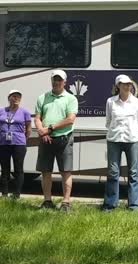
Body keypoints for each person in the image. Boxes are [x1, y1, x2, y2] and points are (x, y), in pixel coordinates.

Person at [35, 69, 78, 211]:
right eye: (54, 79)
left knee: (66, 171)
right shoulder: (43, 97)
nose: (56, 82)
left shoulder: (71, 99)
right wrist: (42, 132)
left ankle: (66, 203)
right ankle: (47, 201)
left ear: (65, 82)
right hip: (46, 139)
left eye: (59, 80)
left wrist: (50, 128)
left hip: (64, 138)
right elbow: (37, 118)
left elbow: (70, 120)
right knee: (46, 171)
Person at [102, 74, 138, 212]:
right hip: (114, 140)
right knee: (113, 173)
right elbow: (108, 122)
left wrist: (133, 133)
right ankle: (110, 205)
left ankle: (134, 205)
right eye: (124, 84)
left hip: (132, 140)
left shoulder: (137, 103)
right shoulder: (110, 102)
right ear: (118, 86)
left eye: (129, 84)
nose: (127, 86)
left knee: (133, 173)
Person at [0, 90, 32, 199]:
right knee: (5, 169)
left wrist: (24, 139)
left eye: (18, 97)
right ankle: (4, 194)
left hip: (19, 144)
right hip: (3, 143)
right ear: (9, 98)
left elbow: (28, 129)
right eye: (14, 96)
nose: (16, 98)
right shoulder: (2, 111)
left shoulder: (25, 112)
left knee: (18, 169)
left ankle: (16, 194)